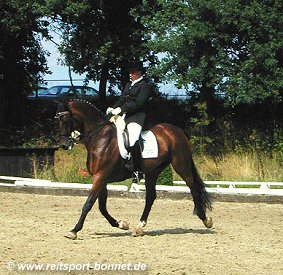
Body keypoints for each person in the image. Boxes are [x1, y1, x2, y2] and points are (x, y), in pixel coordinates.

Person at [106, 60, 152, 183]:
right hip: (125, 116)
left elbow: (138, 103)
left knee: (132, 139)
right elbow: (122, 99)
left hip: (138, 117)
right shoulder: (129, 85)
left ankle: (138, 170)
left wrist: (121, 109)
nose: (130, 74)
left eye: (133, 72)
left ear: (139, 72)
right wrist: (113, 108)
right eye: (130, 72)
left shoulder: (145, 87)